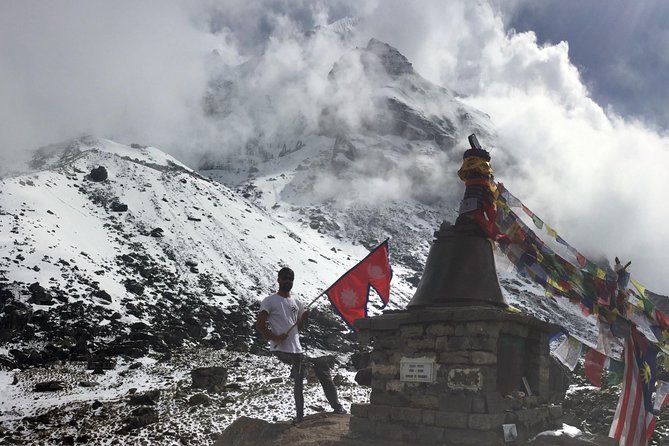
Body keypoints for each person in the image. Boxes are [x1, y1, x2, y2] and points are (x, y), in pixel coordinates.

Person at [255, 266, 346, 423]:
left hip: (297, 349)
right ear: (278, 279)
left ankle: (324, 410)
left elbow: (299, 327)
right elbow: (260, 324)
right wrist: (275, 337)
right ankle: (303, 416)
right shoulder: (269, 301)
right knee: (303, 370)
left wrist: (303, 319)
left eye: (291, 278)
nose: (288, 281)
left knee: (317, 368)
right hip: (280, 349)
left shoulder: (297, 302)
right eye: (285, 278)